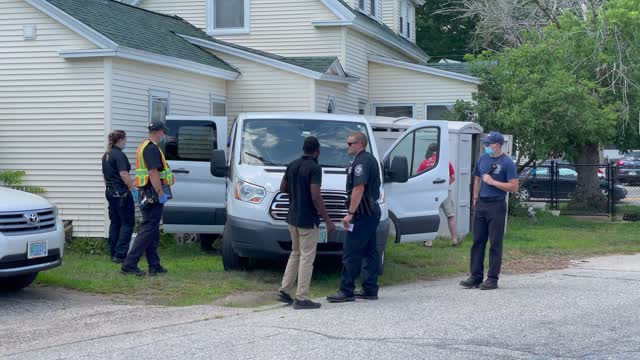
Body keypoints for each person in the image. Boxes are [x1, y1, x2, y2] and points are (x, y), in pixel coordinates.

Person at [275, 136, 336, 310]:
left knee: (295, 253)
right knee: (307, 258)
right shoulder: (315, 168)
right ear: (317, 151)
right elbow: (315, 195)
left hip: (292, 218)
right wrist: (327, 220)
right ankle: (301, 297)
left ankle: (284, 291)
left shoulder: (292, 164)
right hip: (307, 219)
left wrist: (296, 194)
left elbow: (282, 188)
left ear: (303, 149)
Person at [327, 132, 382, 303]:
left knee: (351, 251)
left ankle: (346, 290)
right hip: (371, 212)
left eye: (350, 143)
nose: (347, 146)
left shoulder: (362, 162)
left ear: (360, 144)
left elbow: (359, 188)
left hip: (363, 213)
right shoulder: (368, 159)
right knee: (370, 250)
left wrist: (350, 213)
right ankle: (370, 288)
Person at [460, 131, 518, 290]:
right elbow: (477, 178)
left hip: (497, 205)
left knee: (495, 243)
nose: (486, 146)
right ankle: (475, 276)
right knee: (477, 241)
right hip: (482, 204)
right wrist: (475, 197)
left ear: (497, 145)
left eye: (488, 143)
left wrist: (493, 182)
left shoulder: (507, 162)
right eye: (485, 143)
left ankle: (492, 278)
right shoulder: (482, 158)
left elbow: (514, 186)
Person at [121, 121, 175, 276]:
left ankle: (154, 264)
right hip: (152, 193)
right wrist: (160, 193)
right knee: (148, 229)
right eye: (163, 132)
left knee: (152, 230)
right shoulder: (151, 148)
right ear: (158, 132)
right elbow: (153, 172)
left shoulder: (145, 146)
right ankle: (129, 264)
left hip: (146, 191)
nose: (164, 135)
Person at [101, 130, 135, 263]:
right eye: (125, 139)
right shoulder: (119, 155)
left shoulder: (106, 155)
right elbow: (123, 174)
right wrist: (133, 189)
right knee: (127, 223)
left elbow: (105, 176)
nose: (126, 142)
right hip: (122, 193)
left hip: (110, 192)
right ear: (121, 139)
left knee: (115, 223)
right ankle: (120, 255)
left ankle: (113, 252)